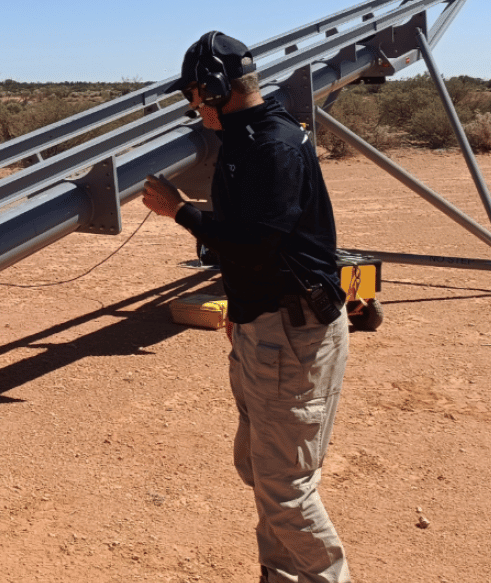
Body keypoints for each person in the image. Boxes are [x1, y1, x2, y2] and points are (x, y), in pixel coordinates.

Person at [143, 32, 351, 583]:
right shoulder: (248, 137)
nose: (193, 107)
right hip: (267, 324)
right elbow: (257, 238)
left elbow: (256, 242)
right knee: (261, 469)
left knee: (286, 487)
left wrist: (181, 212)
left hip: (292, 333)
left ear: (215, 89)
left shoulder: (271, 146)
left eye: (194, 95)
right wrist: (241, 306)